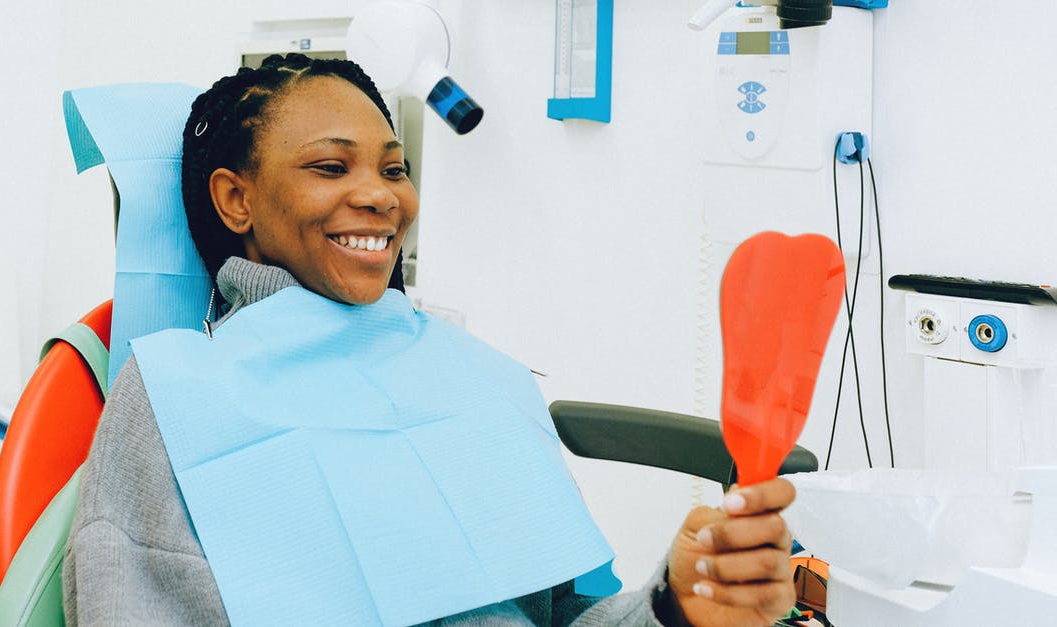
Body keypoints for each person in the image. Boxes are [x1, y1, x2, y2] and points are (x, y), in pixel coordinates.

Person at [63, 53, 797, 627]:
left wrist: (675, 605)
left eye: (395, 168)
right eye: (330, 166)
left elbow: (569, 614)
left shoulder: (476, 377)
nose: (381, 194)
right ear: (235, 198)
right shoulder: (177, 394)